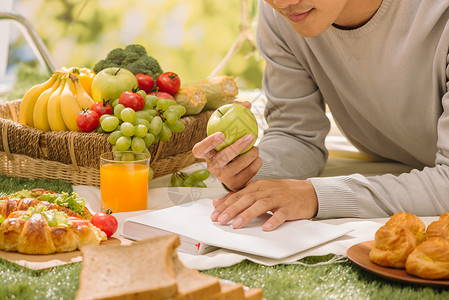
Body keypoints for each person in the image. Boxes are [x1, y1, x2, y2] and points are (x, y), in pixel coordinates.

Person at [192, 0, 449, 231]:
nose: (282, 2)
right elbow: (296, 135)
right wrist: (252, 171)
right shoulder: (282, 16)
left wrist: (315, 196)